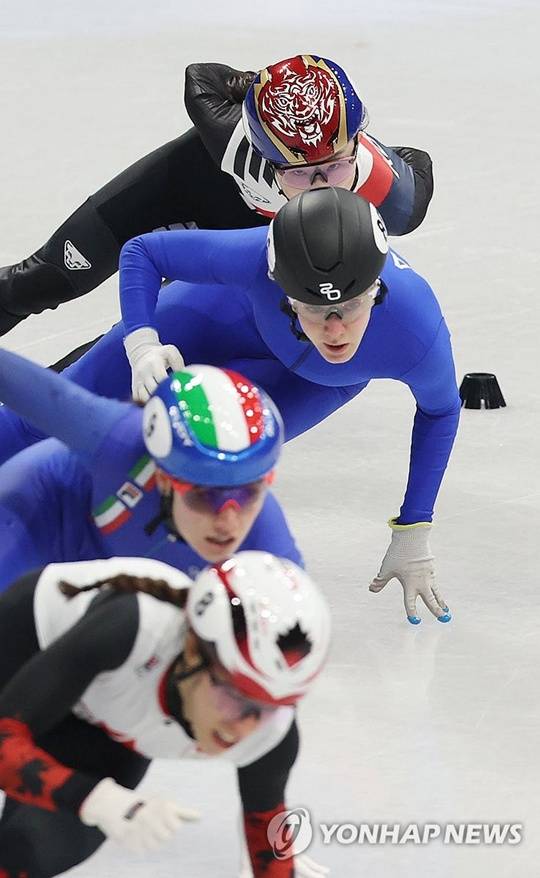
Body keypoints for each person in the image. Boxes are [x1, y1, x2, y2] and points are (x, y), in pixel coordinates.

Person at [0, 189, 459, 624]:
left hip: (309, 382)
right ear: (282, 288)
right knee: (38, 423)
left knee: (210, 467)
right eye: (314, 308)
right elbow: (143, 252)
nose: (335, 330)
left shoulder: (415, 329)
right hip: (209, 318)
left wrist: (414, 527)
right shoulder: (256, 255)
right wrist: (143, 344)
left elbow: (441, 410)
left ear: (377, 289)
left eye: (353, 307)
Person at [0, 54, 433, 341]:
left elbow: (419, 158)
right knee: (46, 279)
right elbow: (200, 76)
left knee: (151, 336)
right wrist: (259, 87)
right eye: (300, 174)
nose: (321, 187)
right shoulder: (230, 135)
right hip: (175, 189)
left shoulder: (393, 198)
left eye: (335, 167)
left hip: (241, 230)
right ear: (265, 157)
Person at [0, 551, 331, 877]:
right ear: (193, 651)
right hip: (25, 652)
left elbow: (270, 859)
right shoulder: (131, 628)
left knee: (31, 850)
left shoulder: (270, 737)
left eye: (270, 708)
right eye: (235, 696)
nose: (244, 727)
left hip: (106, 725)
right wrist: (93, 799)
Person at [0, 358, 302, 593]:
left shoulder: (266, 539)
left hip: (120, 582)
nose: (228, 523)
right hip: (40, 519)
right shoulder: (115, 440)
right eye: (205, 496)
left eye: (248, 494)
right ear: (164, 479)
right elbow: (21, 384)